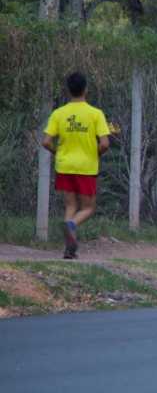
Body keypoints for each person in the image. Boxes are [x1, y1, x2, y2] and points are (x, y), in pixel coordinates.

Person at [42, 72, 110, 259]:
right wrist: (95, 153)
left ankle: (69, 249)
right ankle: (71, 225)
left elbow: (46, 142)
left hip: (64, 166)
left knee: (70, 206)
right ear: (85, 89)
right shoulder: (95, 114)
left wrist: (58, 153)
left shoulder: (58, 113)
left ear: (68, 90)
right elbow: (105, 144)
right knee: (88, 208)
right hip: (86, 167)